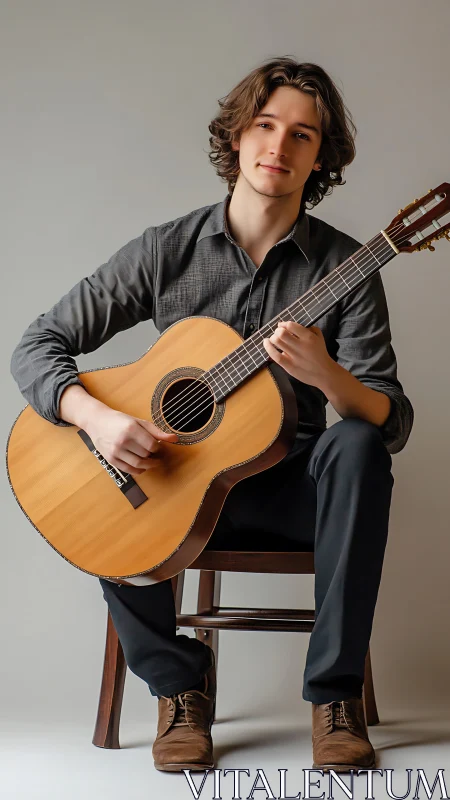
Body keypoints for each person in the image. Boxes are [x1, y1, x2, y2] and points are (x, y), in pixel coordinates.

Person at [10, 57, 413, 773]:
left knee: (356, 445)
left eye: (302, 136)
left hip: (297, 494)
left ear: (322, 157)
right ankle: (179, 687)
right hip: (186, 492)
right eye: (265, 126)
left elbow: (391, 418)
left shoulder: (347, 267)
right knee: (104, 484)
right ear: (235, 136)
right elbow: (39, 344)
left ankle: (334, 699)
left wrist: (326, 375)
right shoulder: (167, 250)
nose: (278, 148)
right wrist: (99, 423)